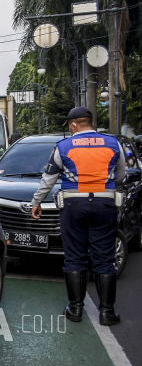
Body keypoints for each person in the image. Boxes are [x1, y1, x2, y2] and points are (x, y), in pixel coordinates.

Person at [31, 106, 125, 326]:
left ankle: (75, 310)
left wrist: (36, 202)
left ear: (73, 125)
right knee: (104, 258)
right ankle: (107, 313)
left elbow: (48, 180)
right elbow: (120, 176)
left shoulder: (63, 146)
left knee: (74, 256)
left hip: (73, 206)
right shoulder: (113, 143)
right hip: (105, 204)